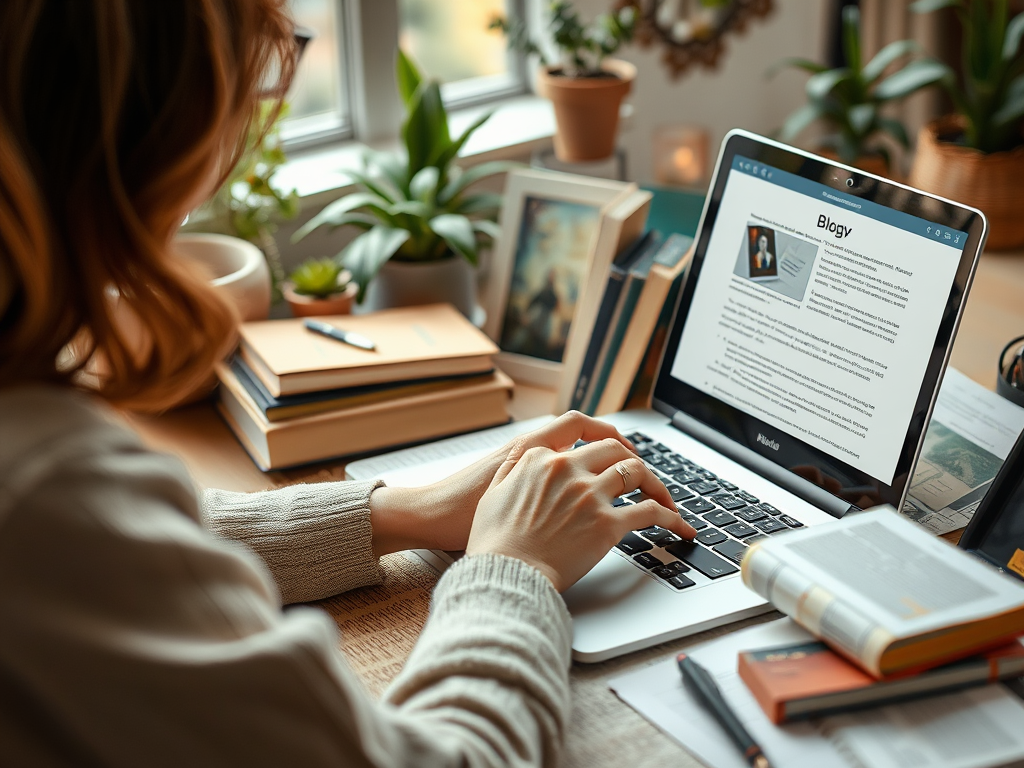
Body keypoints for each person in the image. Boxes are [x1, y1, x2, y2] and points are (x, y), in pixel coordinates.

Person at [0, 2, 695, 766]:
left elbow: (122, 549)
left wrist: (405, 513)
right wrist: (514, 568)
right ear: (148, 130)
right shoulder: (45, 493)